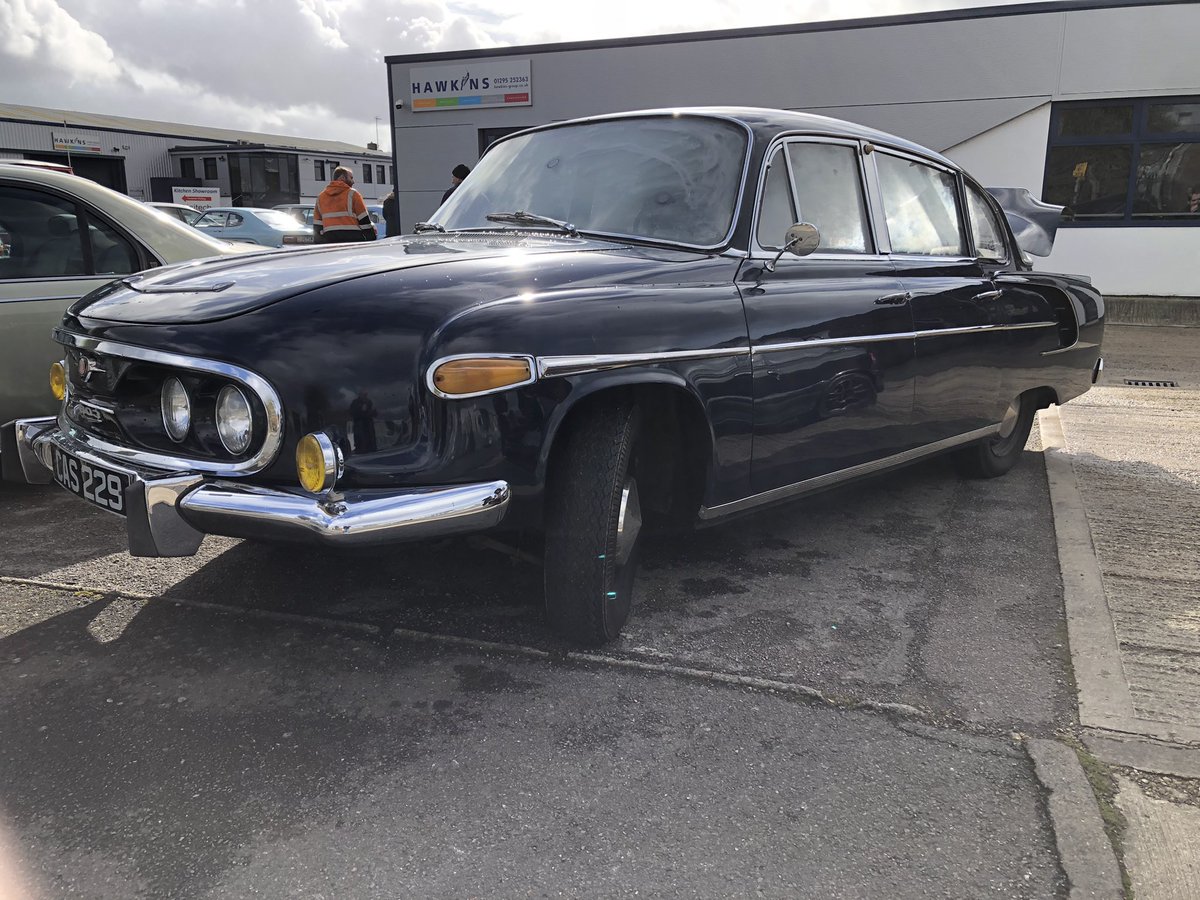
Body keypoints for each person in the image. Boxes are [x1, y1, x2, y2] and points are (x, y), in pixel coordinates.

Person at [313, 166, 377, 243]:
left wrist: (319, 242)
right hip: (353, 239)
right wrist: (371, 238)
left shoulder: (321, 197)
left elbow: (317, 224)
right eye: (351, 178)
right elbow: (364, 220)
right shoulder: (353, 194)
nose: (353, 181)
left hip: (330, 240)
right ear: (342, 178)